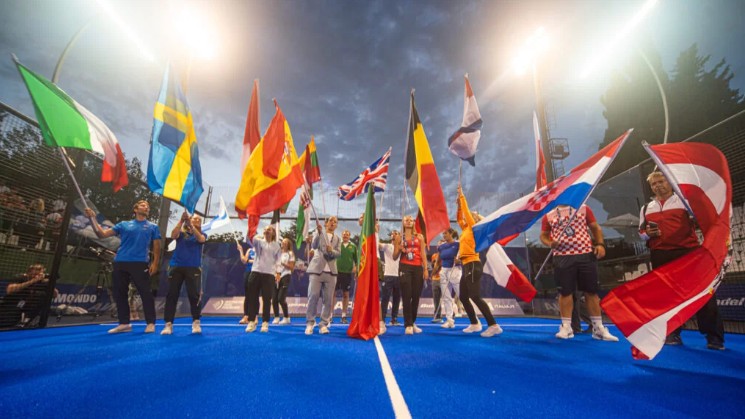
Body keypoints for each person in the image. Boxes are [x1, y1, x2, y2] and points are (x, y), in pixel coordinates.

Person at [640, 171, 725, 350]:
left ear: (669, 182)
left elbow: (704, 220)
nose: (658, 185)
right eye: (654, 183)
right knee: (667, 297)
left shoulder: (686, 201)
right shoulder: (646, 208)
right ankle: (673, 332)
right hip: (660, 255)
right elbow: (641, 233)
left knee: (702, 293)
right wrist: (648, 234)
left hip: (688, 253)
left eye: (661, 181)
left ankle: (714, 337)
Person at [539, 203, 618, 341]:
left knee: (591, 292)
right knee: (565, 292)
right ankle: (566, 327)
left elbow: (595, 227)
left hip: (585, 254)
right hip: (562, 256)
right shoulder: (548, 215)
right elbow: (543, 235)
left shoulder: (584, 207)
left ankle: (598, 328)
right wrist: (550, 243)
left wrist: (600, 244)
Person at [85, 201, 161, 334]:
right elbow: (101, 234)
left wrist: (155, 263)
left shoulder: (153, 227)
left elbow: (156, 246)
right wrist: (92, 218)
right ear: (136, 209)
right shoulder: (124, 224)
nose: (146, 207)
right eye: (143, 205)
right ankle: (124, 323)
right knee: (120, 293)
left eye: (148, 206)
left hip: (140, 263)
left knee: (146, 293)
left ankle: (150, 323)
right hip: (120, 262)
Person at [456, 186, 503, 338]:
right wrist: (458, 206)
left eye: (474, 215)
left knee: (475, 296)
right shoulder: (465, 230)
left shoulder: (475, 228)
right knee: (463, 297)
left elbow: (467, 213)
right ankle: (475, 324)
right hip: (466, 265)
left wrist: (462, 197)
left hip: (473, 264)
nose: (471, 216)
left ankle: (493, 325)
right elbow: (459, 218)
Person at [161, 211, 207, 335]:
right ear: (190, 220)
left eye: (199, 220)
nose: (196, 221)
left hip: (193, 268)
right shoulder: (181, 233)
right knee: (172, 295)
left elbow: (201, 240)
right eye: (194, 219)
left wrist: (191, 226)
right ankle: (168, 324)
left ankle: (196, 322)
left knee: (194, 296)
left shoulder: (203, 234)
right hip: (176, 267)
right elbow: (173, 235)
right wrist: (181, 221)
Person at [238, 225, 280, 333]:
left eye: (269, 230)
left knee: (267, 299)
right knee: (252, 298)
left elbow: (278, 260)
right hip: (255, 272)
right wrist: (251, 223)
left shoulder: (277, 246)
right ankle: (251, 322)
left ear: (273, 233)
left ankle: (265, 323)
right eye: (265, 229)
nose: (266, 231)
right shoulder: (258, 241)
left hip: (269, 275)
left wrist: (278, 273)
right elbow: (248, 238)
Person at [393, 215, 428, 335]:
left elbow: (423, 253)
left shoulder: (420, 237)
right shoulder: (399, 237)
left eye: (411, 220)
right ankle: (408, 324)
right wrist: (399, 248)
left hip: (418, 267)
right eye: (406, 220)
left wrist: (425, 269)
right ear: (403, 223)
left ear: (413, 223)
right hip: (404, 267)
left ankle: (412, 322)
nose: (408, 221)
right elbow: (394, 256)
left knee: (416, 296)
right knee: (407, 295)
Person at [305, 216, 341, 335]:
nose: (333, 223)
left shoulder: (337, 238)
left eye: (335, 222)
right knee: (313, 296)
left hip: (331, 272)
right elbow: (314, 246)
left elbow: (338, 253)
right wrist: (318, 233)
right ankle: (310, 323)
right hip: (316, 270)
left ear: (336, 226)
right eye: (331, 220)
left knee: (328, 300)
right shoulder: (320, 233)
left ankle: (323, 324)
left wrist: (332, 251)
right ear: (326, 223)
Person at [0, 264, 57, 328]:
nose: (37, 275)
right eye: (35, 273)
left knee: (42, 296)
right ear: (30, 272)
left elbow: (55, 295)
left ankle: (25, 322)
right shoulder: (22, 278)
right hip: (10, 305)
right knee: (5, 324)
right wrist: (32, 281)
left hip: (26, 306)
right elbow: (9, 290)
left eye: (39, 273)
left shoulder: (41, 282)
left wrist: (50, 284)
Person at [436, 229, 462, 329]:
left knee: (461, 295)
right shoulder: (441, 247)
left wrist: (459, 260)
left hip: (455, 270)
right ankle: (450, 321)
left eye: (445, 233)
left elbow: (463, 256)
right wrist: (434, 272)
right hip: (444, 271)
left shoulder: (458, 244)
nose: (444, 235)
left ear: (451, 234)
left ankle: (474, 319)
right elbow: (439, 261)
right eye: (443, 233)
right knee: (446, 297)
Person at [335, 229, 358, 324]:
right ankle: (329, 316)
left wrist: (356, 268)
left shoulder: (353, 246)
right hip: (336, 272)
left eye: (347, 235)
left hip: (347, 274)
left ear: (349, 236)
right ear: (341, 235)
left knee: (346, 294)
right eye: (344, 234)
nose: (345, 236)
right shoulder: (337, 245)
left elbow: (357, 260)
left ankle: (343, 316)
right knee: (333, 294)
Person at [379, 230, 402, 326]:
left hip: (399, 276)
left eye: (396, 233)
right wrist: (375, 233)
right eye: (393, 234)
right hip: (388, 275)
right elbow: (378, 245)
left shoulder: (402, 248)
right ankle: (382, 319)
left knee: (396, 299)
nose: (394, 235)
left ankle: (394, 319)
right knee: (385, 298)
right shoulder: (387, 246)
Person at [273, 238, 295, 325]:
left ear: (288, 244)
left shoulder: (290, 253)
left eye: (286, 242)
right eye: (282, 242)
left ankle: (286, 317)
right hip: (276, 276)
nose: (283, 243)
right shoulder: (277, 253)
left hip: (286, 276)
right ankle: (276, 317)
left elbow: (291, 267)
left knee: (281, 298)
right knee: (274, 299)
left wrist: (282, 263)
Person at [238, 245, 256, 325]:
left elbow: (257, 261)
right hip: (248, 273)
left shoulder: (261, 250)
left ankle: (254, 316)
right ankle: (246, 316)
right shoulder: (250, 250)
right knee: (247, 295)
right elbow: (244, 260)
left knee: (254, 295)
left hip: (256, 273)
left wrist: (248, 260)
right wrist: (241, 250)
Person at [430, 247, 443, 324]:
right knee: (436, 299)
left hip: (443, 278)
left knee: (446, 298)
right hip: (435, 279)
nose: (439, 246)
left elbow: (438, 266)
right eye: (438, 245)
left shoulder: (445, 255)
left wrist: (432, 273)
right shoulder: (434, 255)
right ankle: (437, 316)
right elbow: (433, 266)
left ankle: (451, 315)